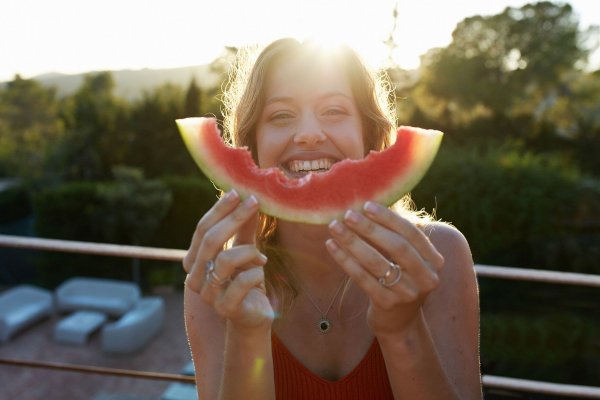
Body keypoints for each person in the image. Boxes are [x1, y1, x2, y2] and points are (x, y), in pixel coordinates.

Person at [183, 38, 482, 400]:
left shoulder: (439, 253)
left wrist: (403, 328)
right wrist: (246, 334)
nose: (309, 133)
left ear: (368, 136)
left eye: (334, 111)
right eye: (280, 115)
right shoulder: (218, 282)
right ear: (253, 146)